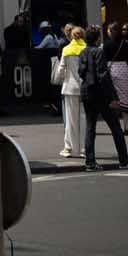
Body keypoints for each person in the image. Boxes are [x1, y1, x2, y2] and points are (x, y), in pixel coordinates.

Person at [79, 25, 128, 172]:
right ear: (97, 39)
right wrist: (112, 97)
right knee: (115, 127)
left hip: (86, 92)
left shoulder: (83, 52)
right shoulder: (99, 52)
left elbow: (81, 72)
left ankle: (90, 162)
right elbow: (103, 76)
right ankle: (124, 160)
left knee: (90, 128)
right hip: (100, 94)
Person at [52, 26, 86, 157]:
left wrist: (63, 77)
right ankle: (84, 149)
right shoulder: (86, 49)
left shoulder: (66, 50)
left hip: (69, 88)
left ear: (71, 36)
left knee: (70, 120)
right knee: (84, 119)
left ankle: (69, 148)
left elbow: (61, 71)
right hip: (84, 88)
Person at [103, 21, 128, 132]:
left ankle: (115, 125)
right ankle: (126, 125)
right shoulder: (124, 43)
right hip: (123, 69)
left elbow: (103, 59)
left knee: (112, 98)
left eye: (108, 29)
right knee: (125, 97)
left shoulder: (106, 44)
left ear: (111, 31)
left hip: (111, 69)